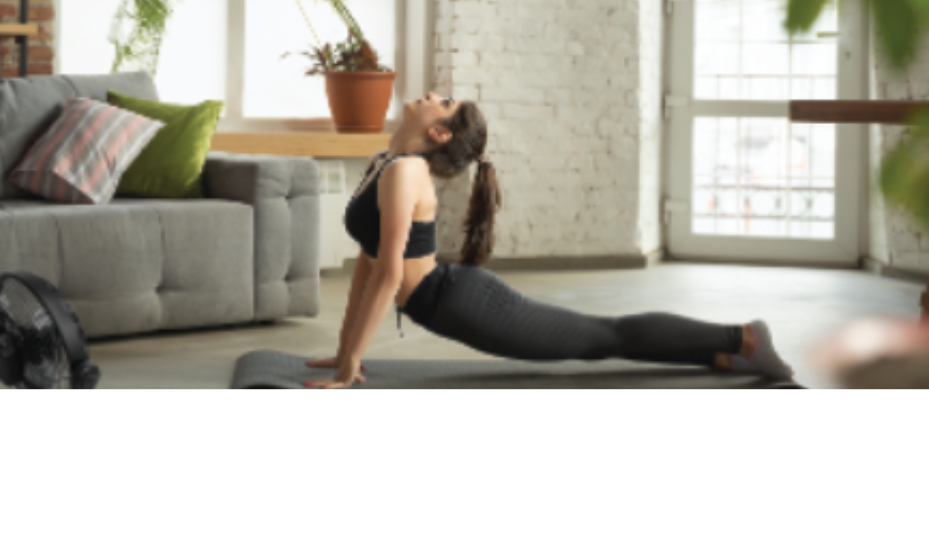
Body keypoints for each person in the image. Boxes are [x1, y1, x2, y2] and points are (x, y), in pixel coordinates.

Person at [303, 91, 794, 389]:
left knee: (605, 337)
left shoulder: (406, 173)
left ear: (436, 132)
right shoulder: (383, 164)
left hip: (464, 304)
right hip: (450, 299)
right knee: (603, 337)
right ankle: (718, 354)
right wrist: (347, 351)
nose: (433, 93)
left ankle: (745, 337)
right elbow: (368, 265)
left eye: (444, 101)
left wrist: (348, 368)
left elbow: (390, 275)